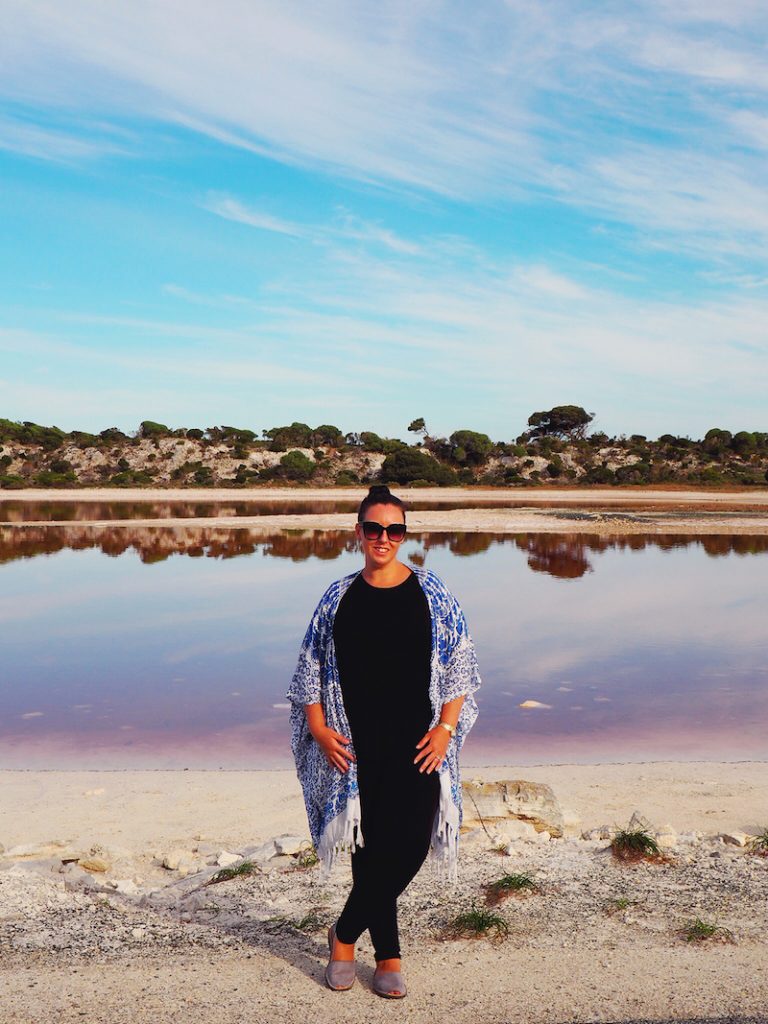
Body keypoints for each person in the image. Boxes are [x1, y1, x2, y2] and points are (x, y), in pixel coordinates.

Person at [287, 484, 481, 999]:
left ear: (404, 535)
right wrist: (319, 728)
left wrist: (445, 729)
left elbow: (459, 667)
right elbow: (309, 667)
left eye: (394, 530)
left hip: (418, 742)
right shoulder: (337, 596)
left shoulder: (433, 593)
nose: (383, 538)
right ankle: (389, 954)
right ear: (358, 532)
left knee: (412, 844)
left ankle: (344, 934)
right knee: (368, 848)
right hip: (355, 744)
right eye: (373, 528)